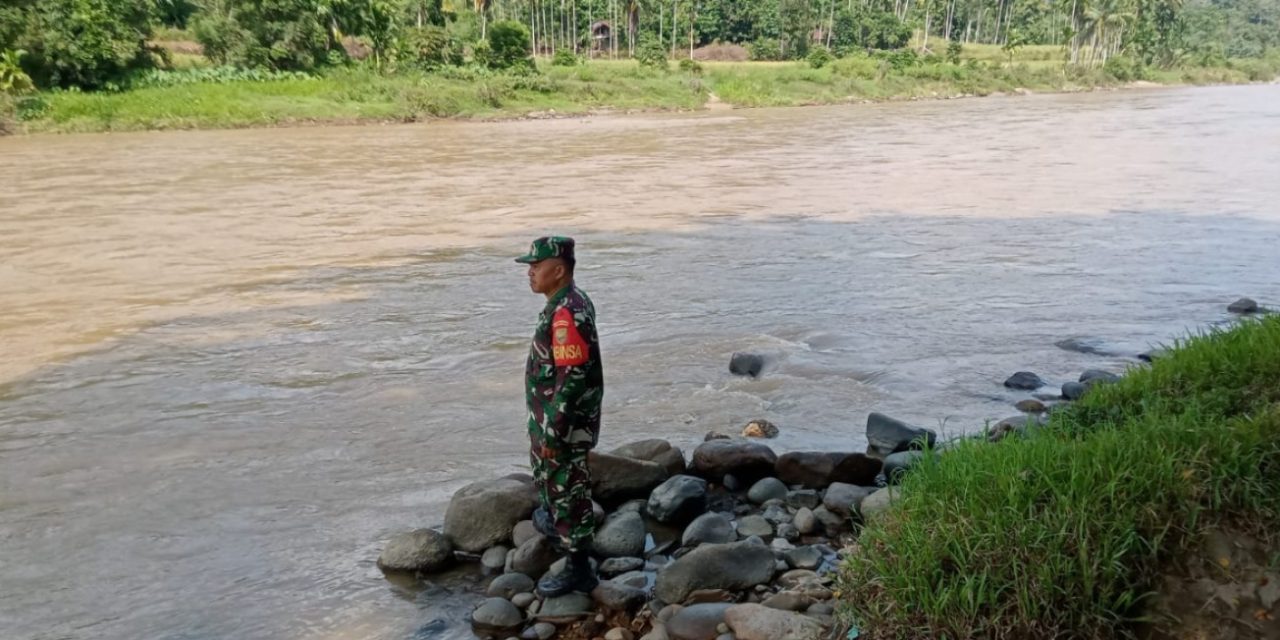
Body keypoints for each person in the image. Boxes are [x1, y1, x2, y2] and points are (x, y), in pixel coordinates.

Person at [515, 236, 604, 597]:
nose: (531, 272)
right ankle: (554, 523)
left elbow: (572, 378)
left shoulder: (567, 310)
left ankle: (579, 567)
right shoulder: (562, 304)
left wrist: (554, 433)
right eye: (530, 266)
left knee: (568, 489)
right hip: (551, 420)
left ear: (560, 269)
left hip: (562, 425)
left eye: (537, 266)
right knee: (551, 481)